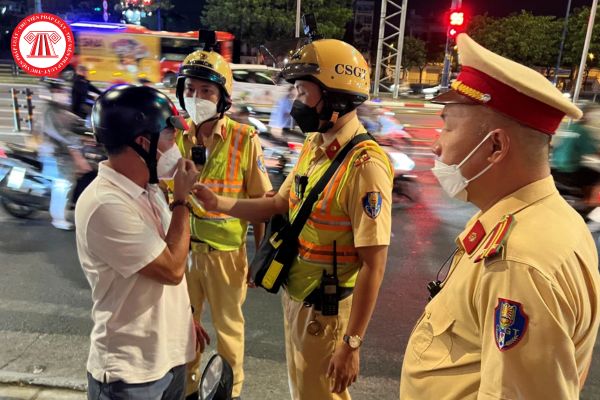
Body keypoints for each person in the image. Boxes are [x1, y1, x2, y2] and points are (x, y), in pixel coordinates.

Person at [399, 33, 600, 399]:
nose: (436, 143)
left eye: (448, 126)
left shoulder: (520, 260)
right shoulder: (532, 221)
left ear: (494, 146)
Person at [193, 38, 393, 400]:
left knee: (319, 394)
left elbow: (374, 265)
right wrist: (218, 201)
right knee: (303, 390)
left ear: (334, 95)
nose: (295, 102)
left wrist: (352, 342)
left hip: (326, 311)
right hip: (297, 296)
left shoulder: (365, 166)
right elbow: (277, 204)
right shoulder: (315, 146)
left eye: (303, 92)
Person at [75, 85, 209, 400]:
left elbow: (166, 254)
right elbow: (172, 269)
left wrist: (184, 315)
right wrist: (181, 200)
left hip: (168, 358)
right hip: (132, 376)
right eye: (169, 136)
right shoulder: (105, 204)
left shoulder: (147, 189)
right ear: (143, 142)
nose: (177, 146)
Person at [174, 49, 272, 400]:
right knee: (183, 329)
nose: (196, 98)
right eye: (191, 89)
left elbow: (262, 204)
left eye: (206, 91)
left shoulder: (245, 140)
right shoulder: (175, 137)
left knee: (229, 331)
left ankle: (230, 393)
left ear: (223, 98)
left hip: (227, 256)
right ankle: (186, 389)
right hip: (181, 254)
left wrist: (258, 258)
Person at [39, 78, 89, 230]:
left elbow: (72, 119)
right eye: (57, 91)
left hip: (63, 151)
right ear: (50, 93)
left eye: (61, 90)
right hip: (55, 153)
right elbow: (58, 132)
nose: (61, 93)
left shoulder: (58, 108)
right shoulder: (48, 111)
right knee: (63, 185)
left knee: (68, 182)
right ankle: (59, 219)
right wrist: (77, 140)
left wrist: (89, 126)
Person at [551, 103, 600, 199]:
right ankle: (589, 202)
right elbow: (593, 151)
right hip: (570, 172)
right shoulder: (582, 131)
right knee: (597, 176)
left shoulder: (570, 127)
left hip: (557, 170)